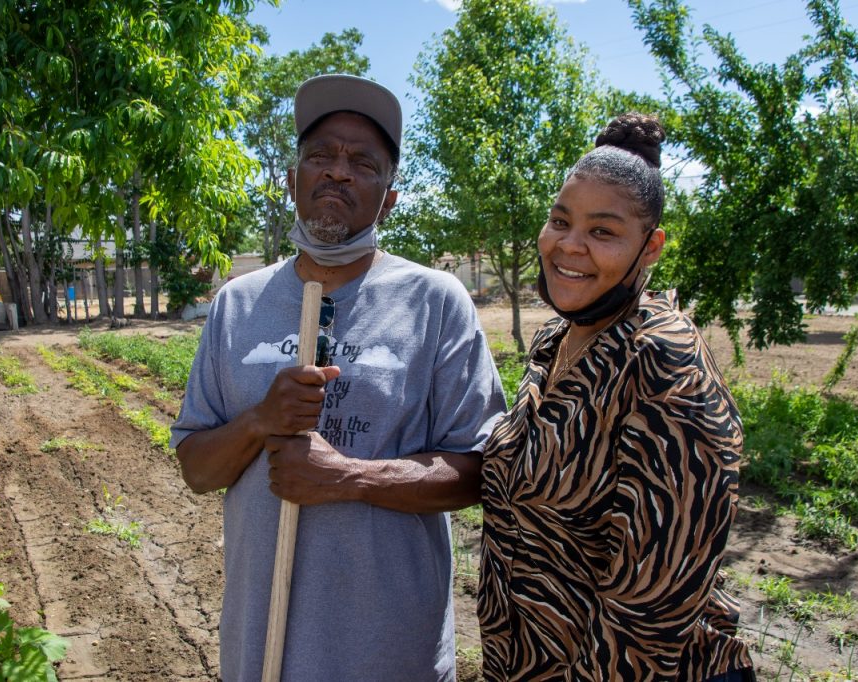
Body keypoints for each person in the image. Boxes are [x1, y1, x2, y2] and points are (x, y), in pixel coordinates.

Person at [170, 74, 506, 682]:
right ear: (293, 179)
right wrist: (259, 421)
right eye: (320, 155)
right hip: (260, 652)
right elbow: (197, 469)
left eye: (363, 162)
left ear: (390, 197)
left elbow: (480, 470)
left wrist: (347, 477)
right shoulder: (237, 304)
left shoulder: (435, 301)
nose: (338, 171)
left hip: (389, 653)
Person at [478, 113, 755, 681]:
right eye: (561, 221)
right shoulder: (559, 339)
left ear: (649, 247)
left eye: (602, 232)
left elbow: (648, 614)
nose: (569, 246)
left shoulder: (661, 362)